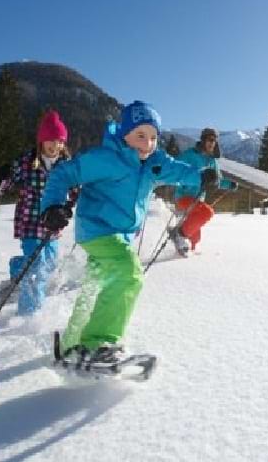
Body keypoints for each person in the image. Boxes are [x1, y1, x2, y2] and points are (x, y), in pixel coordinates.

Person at [39, 100, 218, 363]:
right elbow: (64, 173)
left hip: (120, 236)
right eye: (140, 135)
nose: (148, 143)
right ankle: (98, 343)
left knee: (93, 286)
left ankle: (70, 344)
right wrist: (52, 205)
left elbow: (177, 170)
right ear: (124, 134)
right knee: (129, 273)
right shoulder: (106, 158)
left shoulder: (153, 161)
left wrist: (200, 177)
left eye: (154, 137)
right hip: (97, 230)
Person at [0, 110, 71, 316]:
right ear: (41, 141)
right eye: (49, 140)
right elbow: (6, 184)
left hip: (52, 223)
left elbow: (76, 189)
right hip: (30, 221)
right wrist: (4, 176)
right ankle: (29, 314)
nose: (54, 145)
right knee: (37, 267)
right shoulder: (26, 162)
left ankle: (17, 266)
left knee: (49, 264)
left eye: (58, 141)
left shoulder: (67, 166)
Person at [170, 127, 238, 255]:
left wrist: (229, 185)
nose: (212, 143)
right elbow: (174, 170)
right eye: (209, 139)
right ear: (203, 140)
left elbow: (217, 181)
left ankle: (182, 259)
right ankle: (177, 234)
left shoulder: (213, 161)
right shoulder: (190, 155)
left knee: (195, 240)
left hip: (198, 199)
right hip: (184, 197)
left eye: (214, 140)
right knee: (207, 212)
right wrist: (185, 183)